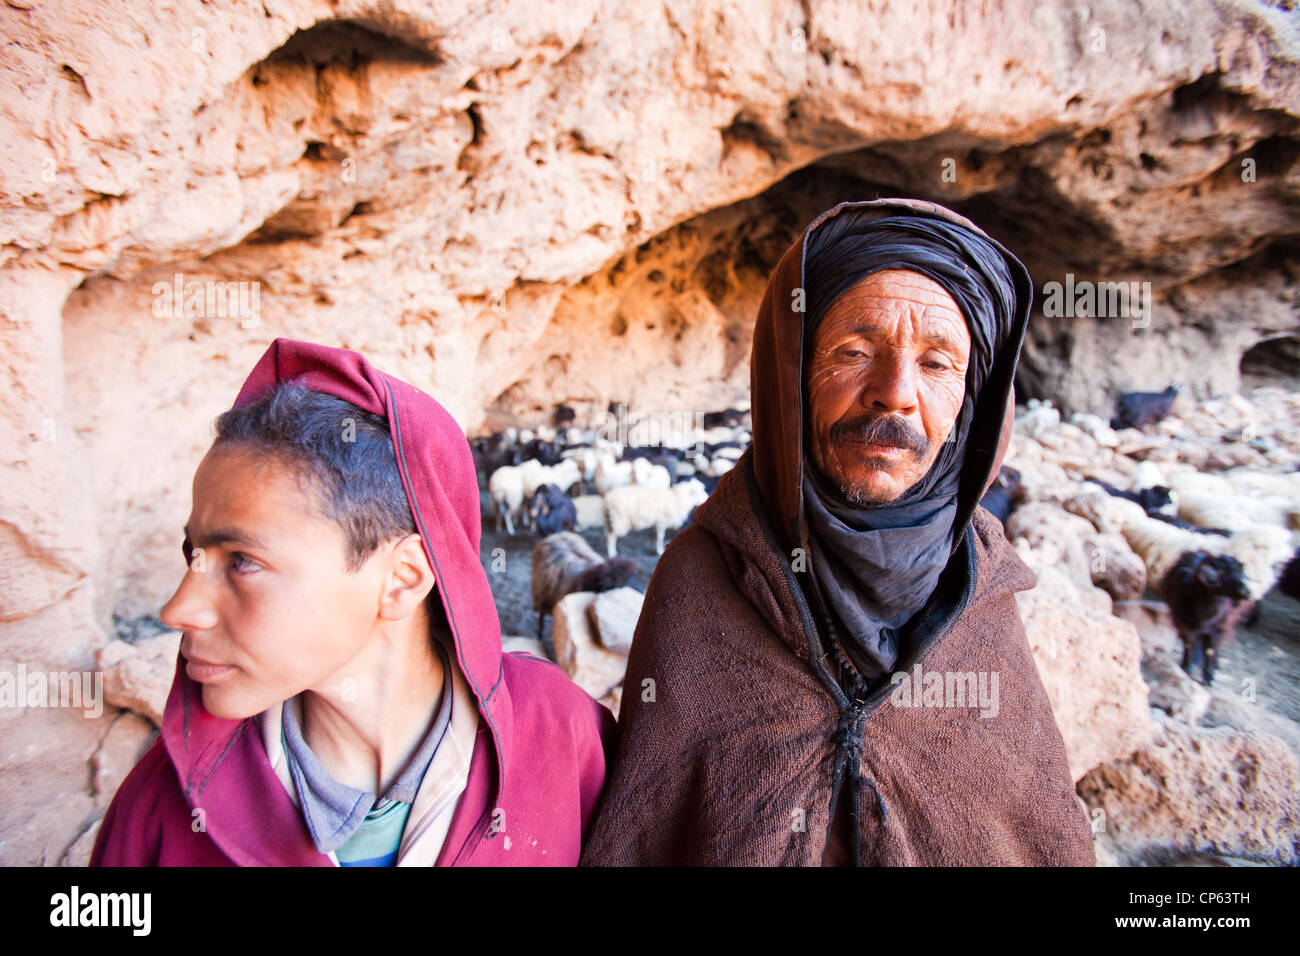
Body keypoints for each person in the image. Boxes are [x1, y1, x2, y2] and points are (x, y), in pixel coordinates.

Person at [580, 198, 1096, 866]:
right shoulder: (700, 582)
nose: (895, 393)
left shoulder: (982, 598)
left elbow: (1030, 828)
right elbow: (656, 827)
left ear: (973, 400)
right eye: (853, 351)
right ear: (790, 376)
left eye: (938, 364)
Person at [92, 338, 615, 866]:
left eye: (242, 561)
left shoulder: (561, 737)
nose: (178, 610)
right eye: (194, 555)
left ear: (403, 579)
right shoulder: (159, 814)